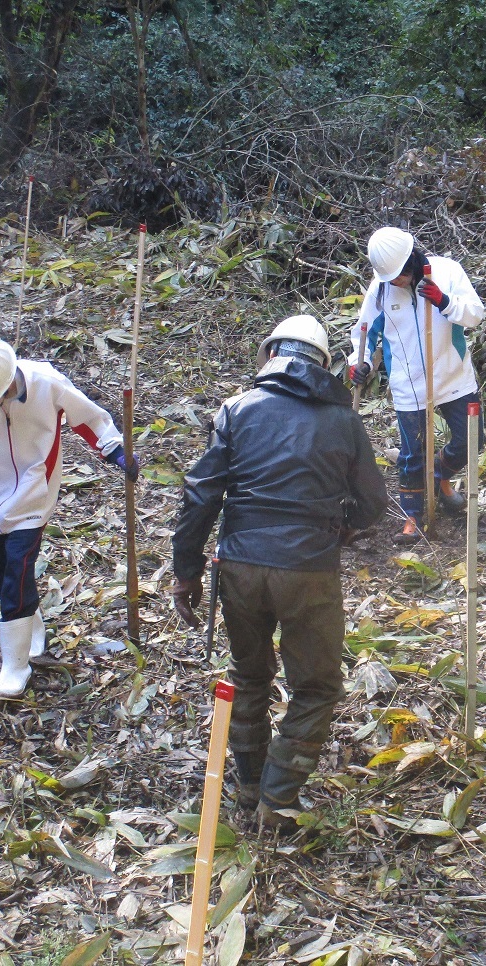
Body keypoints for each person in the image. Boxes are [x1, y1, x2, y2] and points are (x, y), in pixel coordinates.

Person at [170, 315, 387, 829]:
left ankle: (250, 786)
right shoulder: (344, 421)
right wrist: (344, 528)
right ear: (323, 366)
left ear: (271, 356)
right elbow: (374, 503)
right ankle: (278, 796)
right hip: (309, 569)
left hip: (240, 566)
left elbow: (200, 496)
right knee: (316, 686)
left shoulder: (237, 409)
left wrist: (186, 571)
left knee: (248, 674)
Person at [0, 335, 138, 699]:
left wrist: (115, 450)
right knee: (0, 572)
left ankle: (15, 666)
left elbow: (87, 417)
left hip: (35, 493)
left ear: (9, 381)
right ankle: (29, 622)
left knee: (18, 570)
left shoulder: (45, 382)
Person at [348, 226, 485, 545]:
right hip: (408, 385)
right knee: (412, 455)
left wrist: (444, 302)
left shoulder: (448, 271)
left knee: (472, 439)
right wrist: (361, 362)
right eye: (389, 277)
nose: (395, 281)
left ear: (412, 260)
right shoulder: (380, 289)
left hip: (454, 377)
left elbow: (475, 315)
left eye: (399, 275)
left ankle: (438, 476)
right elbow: (363, 332)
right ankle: (413, 517)